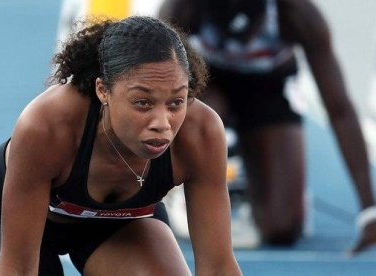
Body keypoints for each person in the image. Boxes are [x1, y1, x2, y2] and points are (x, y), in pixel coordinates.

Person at [0, 16, 242, 275]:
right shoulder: (47, 127)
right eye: (143, 103)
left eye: (176, 102)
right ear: (103, 91)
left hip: (120, 226)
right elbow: (18, 269)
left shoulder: (201, 133)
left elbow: (219, 268)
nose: (162, 123)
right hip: (22, 225)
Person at [159, 0, 376, 251]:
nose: (242, 39)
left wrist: (369, 211)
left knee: (281, 229)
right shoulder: (184, 8)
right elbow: (154, 91)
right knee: (191, 103)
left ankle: (263, 174)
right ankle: (186, 181)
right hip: (211, 82)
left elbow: (339, 110)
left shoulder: (296, 14)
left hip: (268, 89)